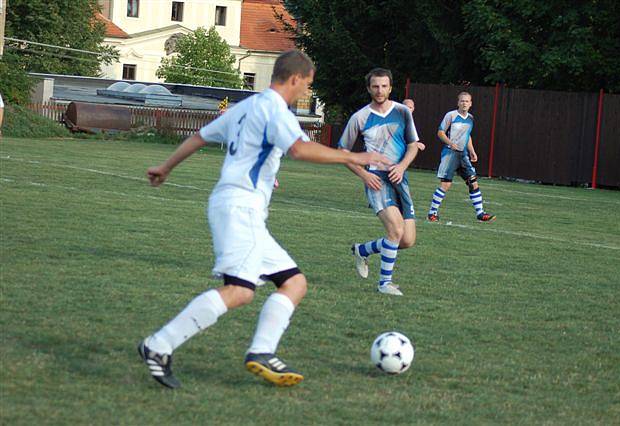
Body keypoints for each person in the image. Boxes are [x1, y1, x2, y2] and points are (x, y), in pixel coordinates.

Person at [138, 50, 390, 389]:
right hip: (241, 208)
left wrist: (166, 167)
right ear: (295, 79)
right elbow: (300, 149)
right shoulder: (275, 108)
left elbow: (201, 137)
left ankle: (261, 351)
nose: (306, 91)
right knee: (239, 291)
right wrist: (354, 155)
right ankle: (159, 345)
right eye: (307, 85)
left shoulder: (246, 107)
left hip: (239, 206)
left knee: (294, 283)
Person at [339, 68, 420, 296]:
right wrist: (364, 175)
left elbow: (413, 145)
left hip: (400, 178)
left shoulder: (403, 112)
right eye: (375, 86)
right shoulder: (360, 117)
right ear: (369, 89)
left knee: (407, 240)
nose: (379, 90)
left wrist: (402, 166)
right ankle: (385, 283)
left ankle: (362, 250)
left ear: (390, 88)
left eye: (384, 86)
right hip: (376, 180)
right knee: (395, 230)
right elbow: (343, 152)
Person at [427, 92, 495, 222]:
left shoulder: (470, 118)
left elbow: (467, 135)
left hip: (463, 155)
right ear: (458, 103)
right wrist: (450, 143)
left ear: (470, 104)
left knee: (473, 183)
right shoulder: (451, 115)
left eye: (467, 101)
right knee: (446, 185)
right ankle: (432, 213)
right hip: (450, 154)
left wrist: (472, 151)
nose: (464, 103)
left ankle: (480, 214)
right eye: (462, 101)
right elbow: (440, 132)